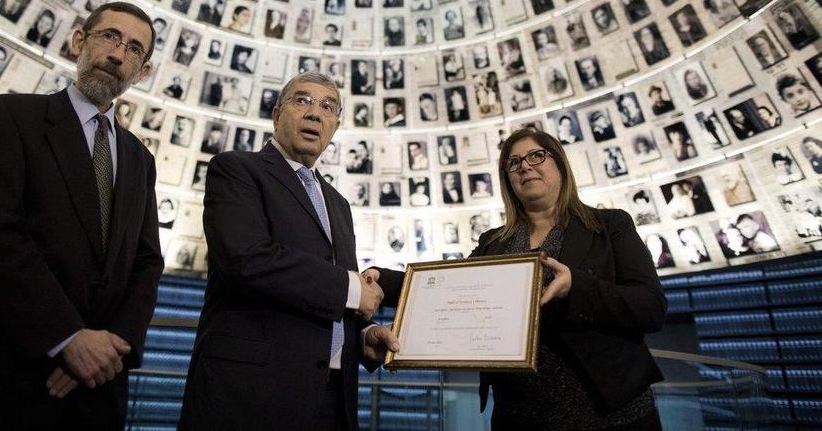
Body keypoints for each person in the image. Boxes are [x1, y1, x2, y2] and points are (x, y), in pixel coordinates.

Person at [0, 2, 165, 428]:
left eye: (133, 48)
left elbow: (146, 261)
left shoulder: (140, 159)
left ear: (141, 72)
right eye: (109, 36)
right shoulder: (10, 117)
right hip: (3, 374)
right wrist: (66, 338)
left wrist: (112, 345)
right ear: (78, 41)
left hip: (96, 388)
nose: (117, 54)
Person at [372, 130, 666, 428]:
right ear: (508, 179)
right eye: (514, 163)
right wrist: (381, 280)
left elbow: (651, 307)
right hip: (519, 416)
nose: (525, 166)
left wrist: (576, 286)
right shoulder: (492, 243)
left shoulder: (610, 225)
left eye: (536, 156)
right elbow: (447, 290)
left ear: (560, 164)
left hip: (612, 416)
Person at [179, 72, 397, 430]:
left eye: (328, 107)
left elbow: (329, 296)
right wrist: (353, 288)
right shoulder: (236, 169)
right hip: (252, 396)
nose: (315, 113)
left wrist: (363, 335)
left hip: (333, 398)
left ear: (335, 126)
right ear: (276, 114)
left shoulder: (339, 204)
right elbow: (247, 258)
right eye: (302, 100)